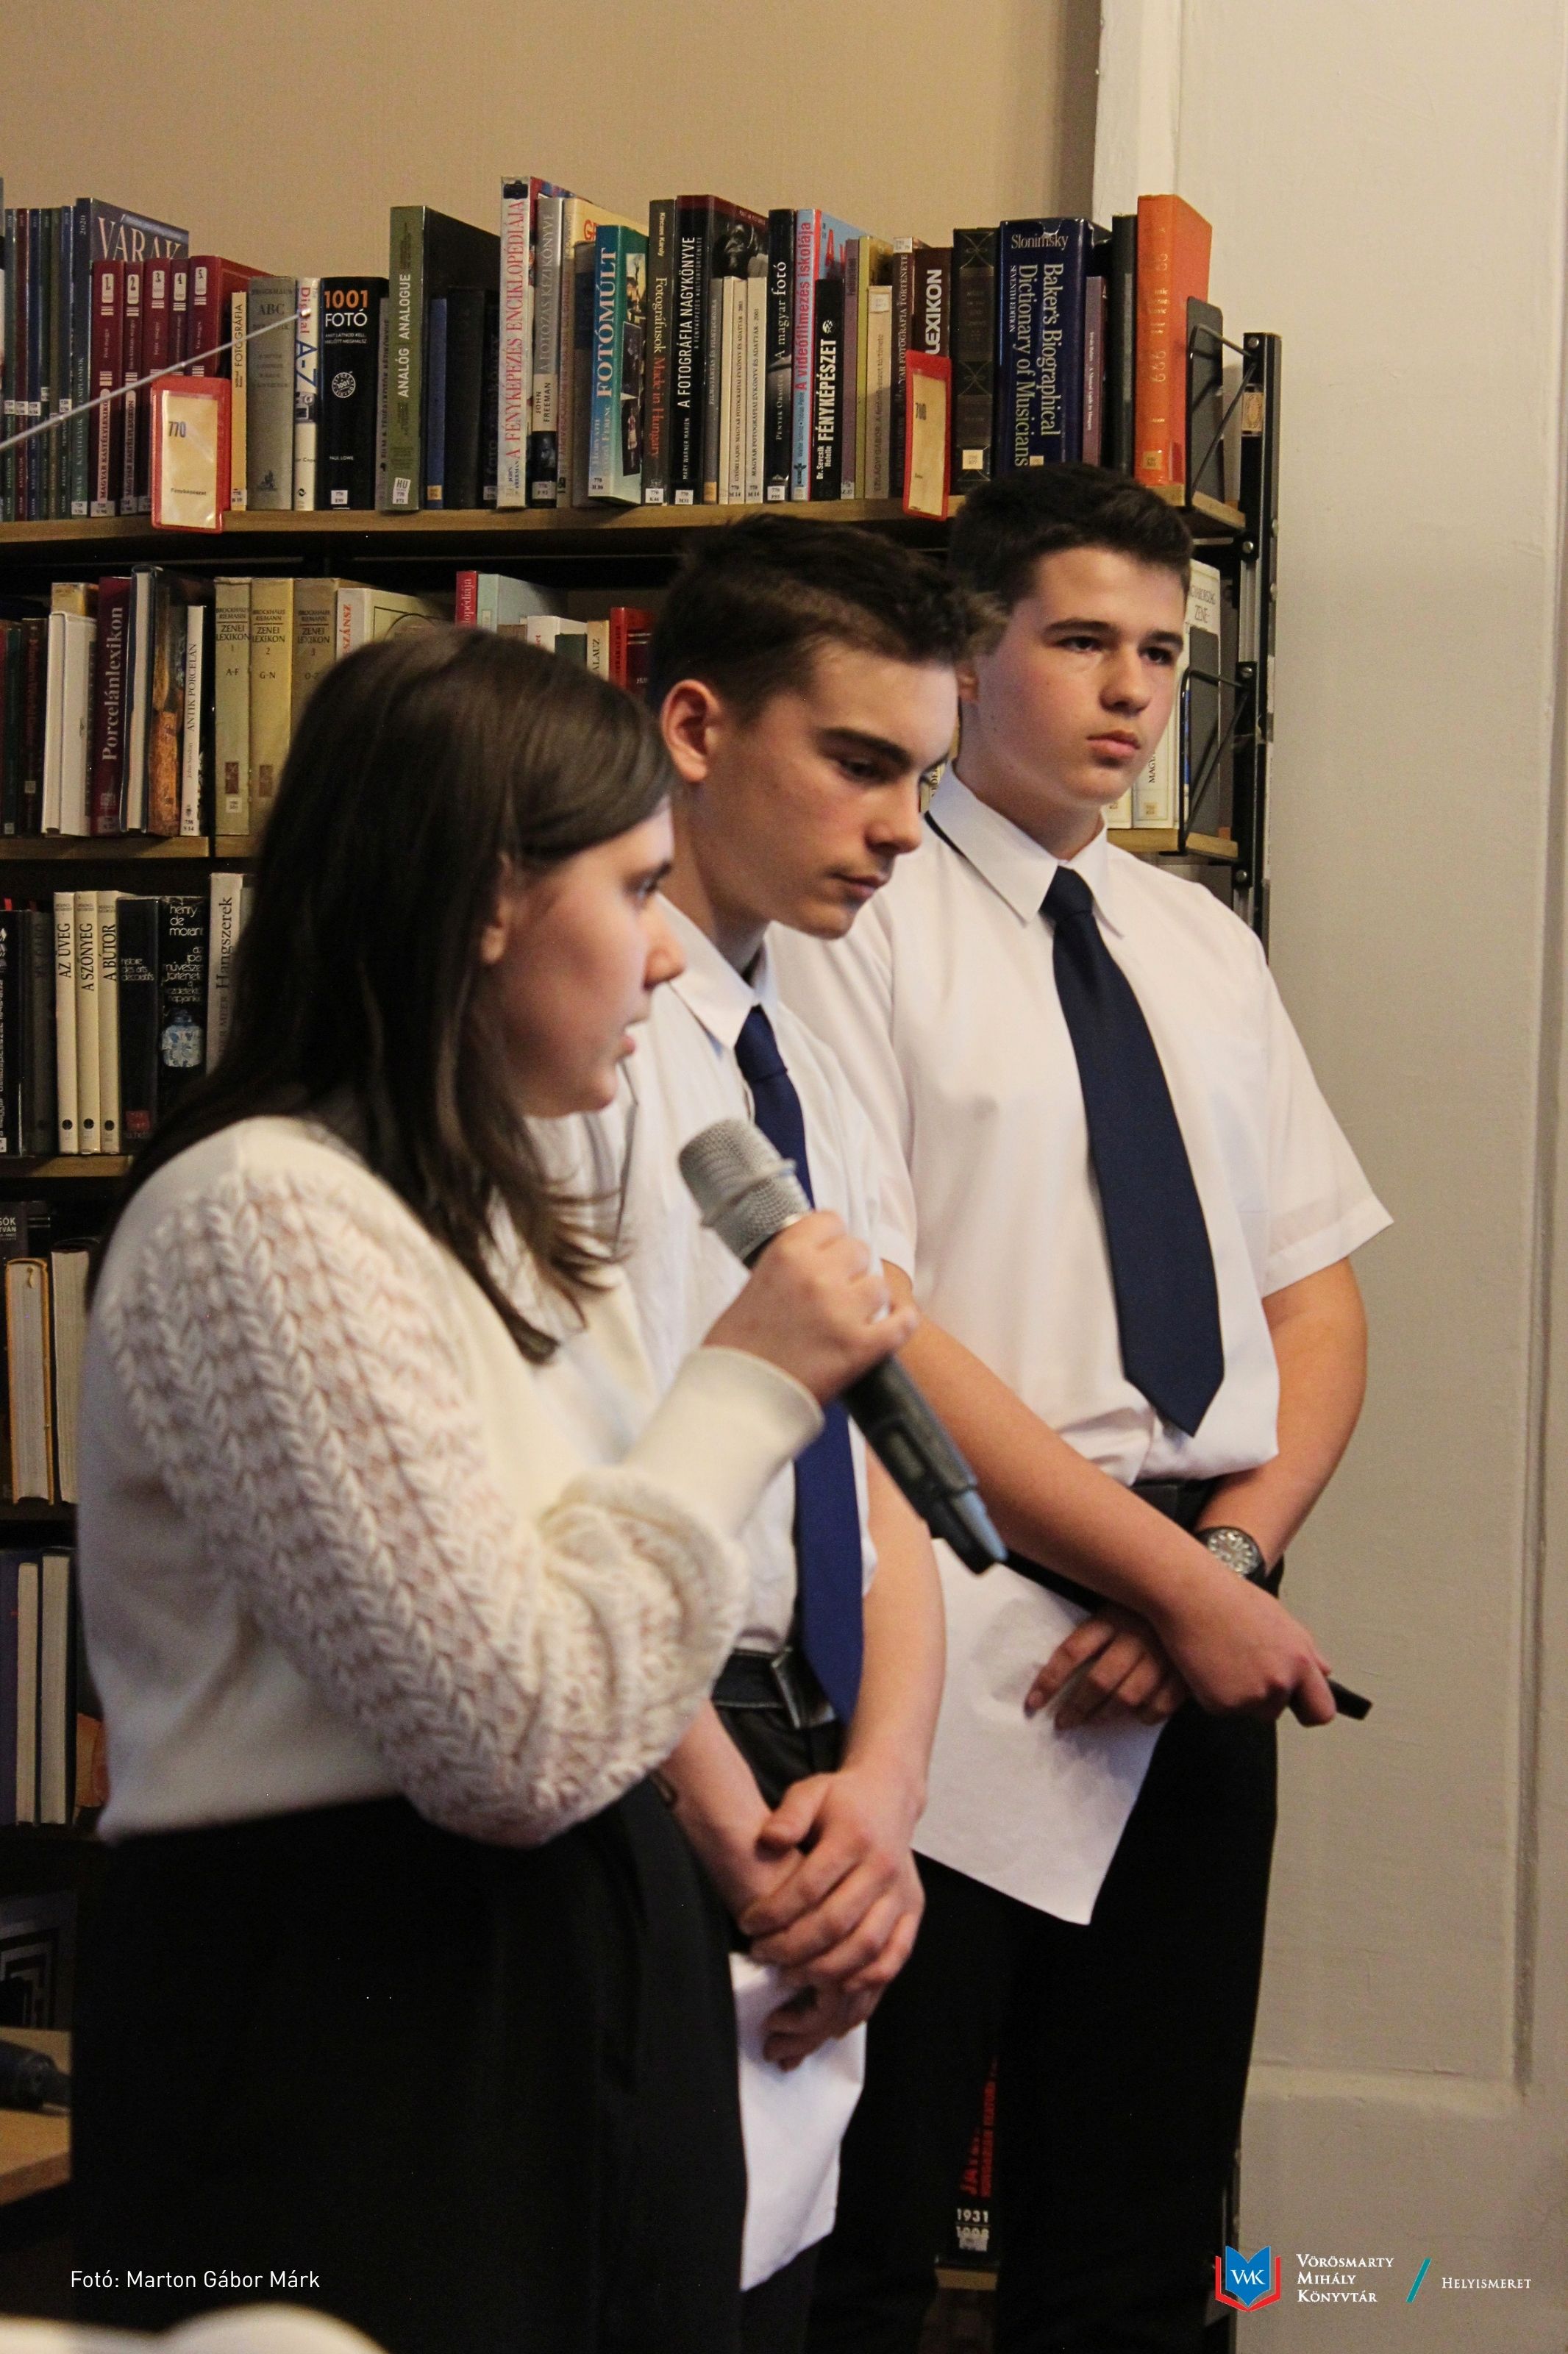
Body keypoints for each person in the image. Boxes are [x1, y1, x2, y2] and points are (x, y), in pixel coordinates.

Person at [71, 630, 916, 2354]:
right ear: (483, 903)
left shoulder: (491, 1215)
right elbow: (511, 1734)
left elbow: (606, 1637)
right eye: (635, 887)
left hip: (564, 1994)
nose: (668, 953)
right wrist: (749, 1386)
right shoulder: (262, 1214)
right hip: (359, 2027)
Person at [775, 466, 1391, 2353]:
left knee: (1135, 2247)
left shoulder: (1198, 942)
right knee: (862, 2243)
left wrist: (1225, 1560)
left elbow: (1315, 1298)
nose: (1132, 690)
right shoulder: (852, 919)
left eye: (1162, 652)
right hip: (948, 1640)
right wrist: (1171, 1580)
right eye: (1082, 641)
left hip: (1194, 1647)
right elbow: (876, 1321)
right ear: (968, 652)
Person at [563, 517, 971, 2354]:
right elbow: (561, 1477)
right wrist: (738, 1837)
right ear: (697, 726)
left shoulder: (805, 1049)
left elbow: (880, 1445)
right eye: (860, 763)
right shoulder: (579, 1040)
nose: (902, 829)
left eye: (924, 779)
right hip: (656, 1729)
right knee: (650, 2288)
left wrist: (887, 1788)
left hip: (821, 1733)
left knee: (778, 2288)